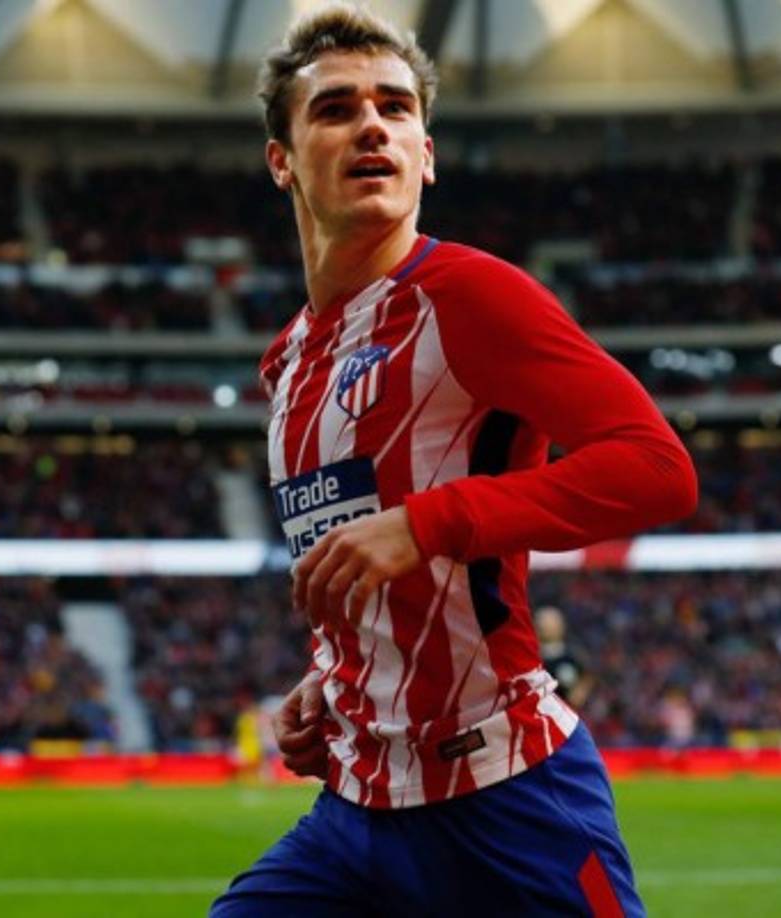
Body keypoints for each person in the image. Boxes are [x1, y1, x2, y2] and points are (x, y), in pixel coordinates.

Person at [212, 5, 697, 915]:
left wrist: (428, 523)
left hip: (507, 798)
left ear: (425, 155)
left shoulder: (468, 295)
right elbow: (374, 564)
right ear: (281, 161)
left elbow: (656, 468)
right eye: (335, 109)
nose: (372, 125)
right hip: (355, 810)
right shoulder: (287, 363)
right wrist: (331, 680)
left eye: (394, 108)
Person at [536, 605, 594, 709]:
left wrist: (580, 691)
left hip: (567, 712)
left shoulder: (573, 654)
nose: (546, 627)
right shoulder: (532, 656)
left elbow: (587, 675)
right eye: (543, 623)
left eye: (552, 623)